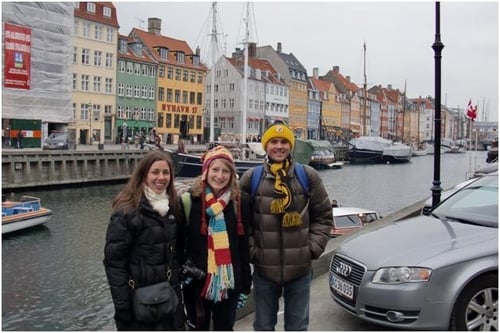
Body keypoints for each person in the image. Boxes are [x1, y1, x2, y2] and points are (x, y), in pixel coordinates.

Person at [239, 121, 333, 331]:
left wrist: (310, 249)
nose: (279, 146)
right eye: (274, 141)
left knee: (298, 326)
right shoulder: (252, 178)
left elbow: (324, 216)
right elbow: (241, 224)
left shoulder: (306, 176)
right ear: (266, 145)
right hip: (264, 271)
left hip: (299, 270)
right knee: (263, 326)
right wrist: (254, 252)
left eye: (284, 142)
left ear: (290, 146)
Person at [103, 151, 185, 331]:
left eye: (166, 172)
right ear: (144, 174)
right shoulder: (126, 212)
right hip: (139, 301)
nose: (161, 178)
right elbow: (114, 263)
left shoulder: (173, 206)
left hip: (169, 297)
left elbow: (176, 254)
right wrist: (123, 305)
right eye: (155, 172)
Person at [179, 146, 252, 331]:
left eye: (225, 171)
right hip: (196, 284)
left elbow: (243, 248)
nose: (220, 176)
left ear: (231, 174)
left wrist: (245, 287)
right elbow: (179, 243)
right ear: (206, 171)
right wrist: (181, 273)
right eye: (215, 169)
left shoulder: (240, 202)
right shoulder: (189, 200)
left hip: (229, 285)